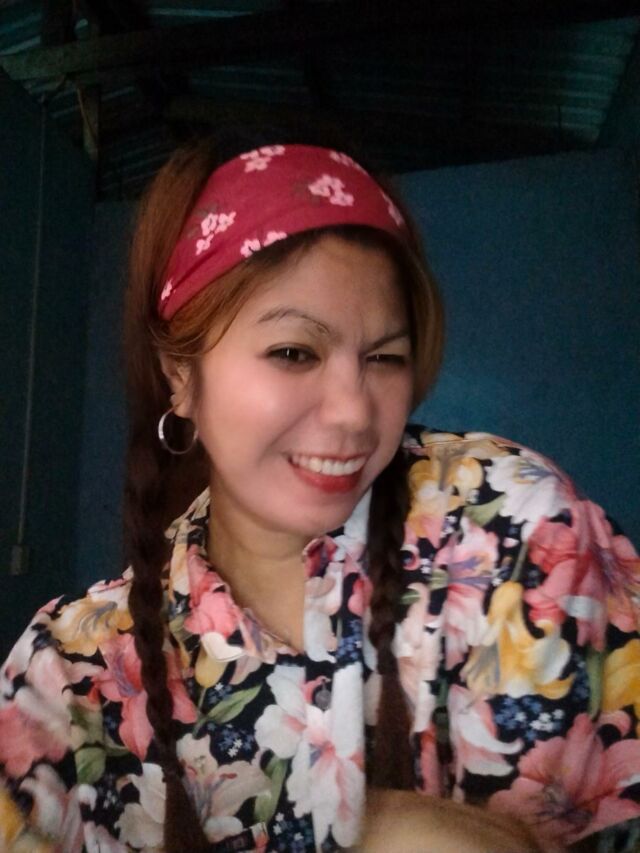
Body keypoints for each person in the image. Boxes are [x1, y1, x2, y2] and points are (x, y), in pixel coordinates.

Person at [0, 135, 639, 853]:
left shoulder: (519, 535)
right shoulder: (69, 679)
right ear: (179, 373)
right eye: (294, 352)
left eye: (386, 357)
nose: (354, 412)